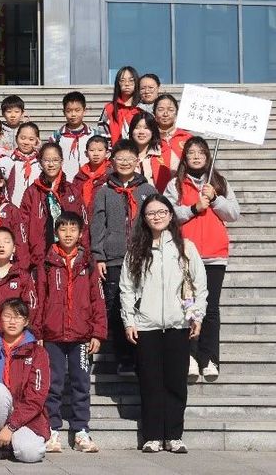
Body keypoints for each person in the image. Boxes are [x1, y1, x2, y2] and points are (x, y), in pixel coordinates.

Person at [120, 194, 207, 454]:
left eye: (161, 212)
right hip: (146, 325)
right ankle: (153, 436)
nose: (156, 217)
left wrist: (197, 316)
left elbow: (199, 285)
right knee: (150, 382)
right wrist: (129, 321)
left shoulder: (186, 248)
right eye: (151, 213)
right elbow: (127, 289)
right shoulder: (136, 250)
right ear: (144, 219)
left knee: (176, 382)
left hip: (178, 323)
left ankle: (174, 436)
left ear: (170, 215)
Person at [165, 136, 240, 382]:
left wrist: (216, 199)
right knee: (187, 306)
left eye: (201, 153)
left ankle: (209, 358)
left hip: (215, 254)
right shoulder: (175, 183)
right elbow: (167, 214)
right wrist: (193, 208)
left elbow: (233, 213)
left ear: (208, 157)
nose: (196, 157)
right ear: (184, 158)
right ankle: (189, 356)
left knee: (211, 309)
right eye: (191, 153)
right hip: (186, 254)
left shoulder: (219, 182)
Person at [35, 213, 106, 454]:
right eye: (63, 229)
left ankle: (81, 431)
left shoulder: (88, 263)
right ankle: (52, 430)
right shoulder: (47, 262)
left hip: (82, 335)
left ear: (80, 233)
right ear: (56, 232)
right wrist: (38, 331)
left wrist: (97, 333)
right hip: (52, 334)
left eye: (73, 229)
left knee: (81, 384)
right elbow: (39, 299)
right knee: (52, 384)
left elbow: (97, 299)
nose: (68, 234)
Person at [91, 139, 156, 376]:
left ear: (137, 161)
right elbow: (98, 224)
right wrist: (99, 256)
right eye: (120, 158)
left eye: (129, 158)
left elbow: (156, 221)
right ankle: (124, 357)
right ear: (112, 161)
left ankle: (143, 355)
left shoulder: (148, 191)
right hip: (114, 258)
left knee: (144, 305)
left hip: (143, 256)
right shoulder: (105, 191)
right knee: (118, 306)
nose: (125, 162)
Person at [0, 298, 49, 463]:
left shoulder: (37, 352)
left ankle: (10, 443)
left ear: (26, 321)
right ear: (0, 318)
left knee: (30, 453)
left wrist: (11, 427)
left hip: (26, 418)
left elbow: (36, 398)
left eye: (18, 317)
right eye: (7, 316)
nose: (12, 322)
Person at [19, 142, 88, 269]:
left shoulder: (71, 190)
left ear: (62, 162)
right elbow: (22, 226)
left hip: (69, 257)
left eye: (55, 160)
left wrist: (85, 254)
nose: (51, 164)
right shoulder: (32, 192)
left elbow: (83, 224)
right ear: (40, 162)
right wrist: (25, 259)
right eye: (46, 160)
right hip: (39, 257)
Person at [49, 91, 100, 182]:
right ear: (64, 112)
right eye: (69, 111)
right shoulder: (57, 137)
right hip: (65, 183)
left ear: (84, 111)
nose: (73, 114)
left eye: (77, 110)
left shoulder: (95, 135)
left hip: (90, 183)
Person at [97, 66, 142, 145]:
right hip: (115, 151)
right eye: (122, 80)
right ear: (118, 83)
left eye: (131, 80)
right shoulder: (109, 108)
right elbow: (102, 135)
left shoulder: (142, 107)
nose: (127, 84)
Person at [129, 111, 170, 192]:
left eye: (146, 128)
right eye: (137, 127)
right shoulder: (123, 154)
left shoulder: (166, 153)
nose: (141, 132)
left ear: (153, 131)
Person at [154, 94, 192, 181]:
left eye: (170, 110)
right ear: (154, 113)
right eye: (160, 109)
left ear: (176, 114)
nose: (165, 114)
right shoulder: (148, 138)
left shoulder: (187, 138)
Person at [73, 135, 111, 218]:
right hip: (82, 217)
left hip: (103, 218)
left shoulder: (111, 175)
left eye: (100, 150)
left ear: (107, 153)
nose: (96, 154)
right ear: (86, 153)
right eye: (92, 150)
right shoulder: (80, 175)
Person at [5, 122, 42, 208]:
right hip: (14, 207)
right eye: (23, 138)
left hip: (36, 208)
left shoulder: (41, 161)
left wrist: (41, 151)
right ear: (16, 138)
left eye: (31, 139)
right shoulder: (8, 160)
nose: (26, 142)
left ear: (37, 141)